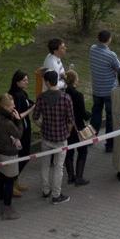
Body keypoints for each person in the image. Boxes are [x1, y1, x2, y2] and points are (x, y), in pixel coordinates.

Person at [33, 70, 74, 203]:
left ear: (47, 82)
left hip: (46, 137)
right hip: (61, 138)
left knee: (44, 164)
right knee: (58, 167)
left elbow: (35, 117)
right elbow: (70, 120)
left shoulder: (41, 97)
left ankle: (45, 190)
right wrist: (67, 132)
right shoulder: (65, 98)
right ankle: (56, 195)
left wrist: (42, 126)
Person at [88, 30, 120, 152]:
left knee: (96, 114)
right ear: (109, 39)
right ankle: (110, 144)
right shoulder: (111, 55)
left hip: (97, 89)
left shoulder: (92, 49)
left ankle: (90, 138)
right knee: (110, 118)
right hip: (109, 91)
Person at [0, 94, 22, 220]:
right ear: (5, 106)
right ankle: (8, 210)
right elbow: (18, 133)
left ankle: (0, 206)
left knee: (1, 178)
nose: (14, 108)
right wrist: (18, 120)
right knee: (9, 181)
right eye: (12, 106)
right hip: (8, 154)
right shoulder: (7, 123)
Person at [6, 70, 35, 193]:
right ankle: (11, 183)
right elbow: (18, 115)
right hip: (20, 129)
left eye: (27, 79)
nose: (27, 82)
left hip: (25, 128)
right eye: (24, 80)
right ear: (17, 82)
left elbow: (27, 102)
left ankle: (15, 181)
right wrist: (32, 108)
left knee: (24, 155)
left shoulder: (22, 93)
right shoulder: (16, 96)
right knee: (23, 155)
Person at [62, 69, 91, 186]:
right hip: (78, 126)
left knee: (68, 152)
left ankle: (70, 176)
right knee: (83, 151)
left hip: (66, 128)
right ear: (74, 81)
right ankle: (79, 177)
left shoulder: (63, 94)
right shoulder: (78, 95)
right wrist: (90, 114)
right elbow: (83, 114)